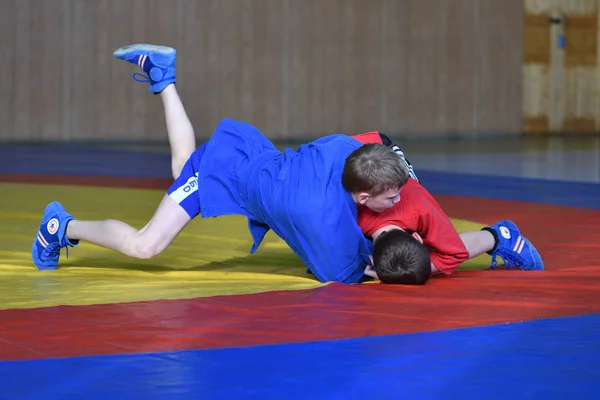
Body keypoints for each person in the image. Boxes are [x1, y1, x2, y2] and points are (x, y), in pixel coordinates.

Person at [31, 44, 409, 284]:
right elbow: (339, 272)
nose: (396, 206)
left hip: (250, 156)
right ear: (362, 194)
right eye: (391, 199)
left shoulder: (345, 149)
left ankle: (163, 78)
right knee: (147, 244)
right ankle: (61, 225)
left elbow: (377, 145)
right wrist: (377, 263)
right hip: (224, 171)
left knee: (183, 166)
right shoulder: (319, 214)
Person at [350, 132, 545, 285]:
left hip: (393, 172)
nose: (397, 199)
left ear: (418, 237)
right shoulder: (349, 210)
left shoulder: (420, 210)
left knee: (426, 251)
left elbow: (455, 252)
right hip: (367, 162)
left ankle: (499, 237)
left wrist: (398, 273)